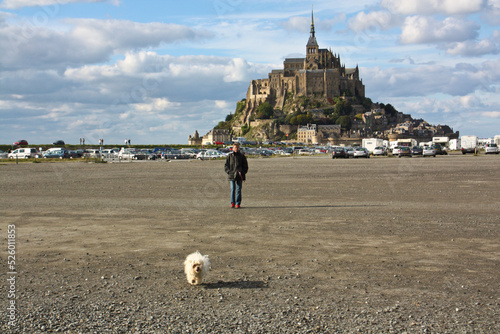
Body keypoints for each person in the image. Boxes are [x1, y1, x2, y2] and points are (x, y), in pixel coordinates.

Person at [224, 143, 248, 209]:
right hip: (232, 175)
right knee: (232, 189)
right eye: (235, 147)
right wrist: (229, 172)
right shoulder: (230, 156)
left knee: (238, 190)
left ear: (239, 148)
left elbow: (245, 166)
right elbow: (226, 165)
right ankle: (232, 203)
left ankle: (238, 203)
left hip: (239, 175)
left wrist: (243, 173)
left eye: (237, 147)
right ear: (233, 148)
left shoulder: (242, 156)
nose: (236, 149)